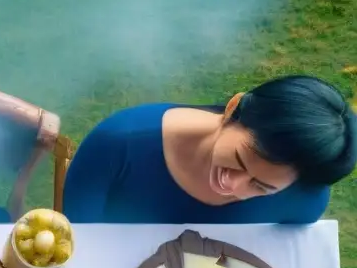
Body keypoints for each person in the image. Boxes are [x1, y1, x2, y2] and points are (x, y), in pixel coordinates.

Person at [63, 75, 356, 224]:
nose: (231, 186)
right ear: (232, 109)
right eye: (240, 159)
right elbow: (79, 239)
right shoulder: (118, 142)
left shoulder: (304, 201)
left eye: (261, 186)